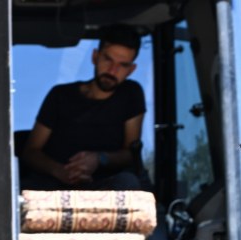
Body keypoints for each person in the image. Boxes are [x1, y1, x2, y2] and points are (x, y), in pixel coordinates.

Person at [20, 24, 147, 191]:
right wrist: (60, 171)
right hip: (53, 185)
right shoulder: (60, 95)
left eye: (122, 65)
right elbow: (31, 151)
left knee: (128, 184)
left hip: (105, 188)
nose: (112, 70)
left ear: (131, 70)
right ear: (95, 57)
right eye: (107, 59)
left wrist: (99, 159)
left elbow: (131, 153)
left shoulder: (131, 94)